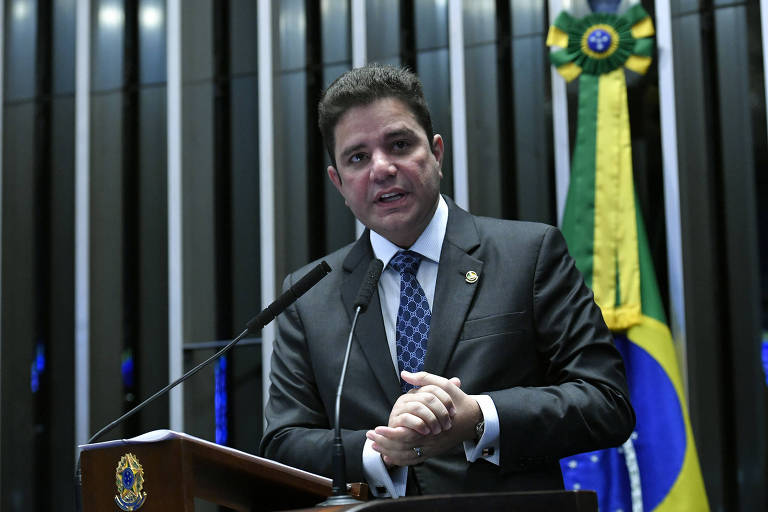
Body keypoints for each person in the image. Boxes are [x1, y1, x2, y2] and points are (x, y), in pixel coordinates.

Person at [259, 64, 634, 497]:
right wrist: (380, 451)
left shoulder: (528, 255)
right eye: (357, 157)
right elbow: (283, 443)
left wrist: (478, 415)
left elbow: (607, 402)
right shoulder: (310, 296)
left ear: (436, 153)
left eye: (399, 144)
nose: (381, 169)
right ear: (338, 182)